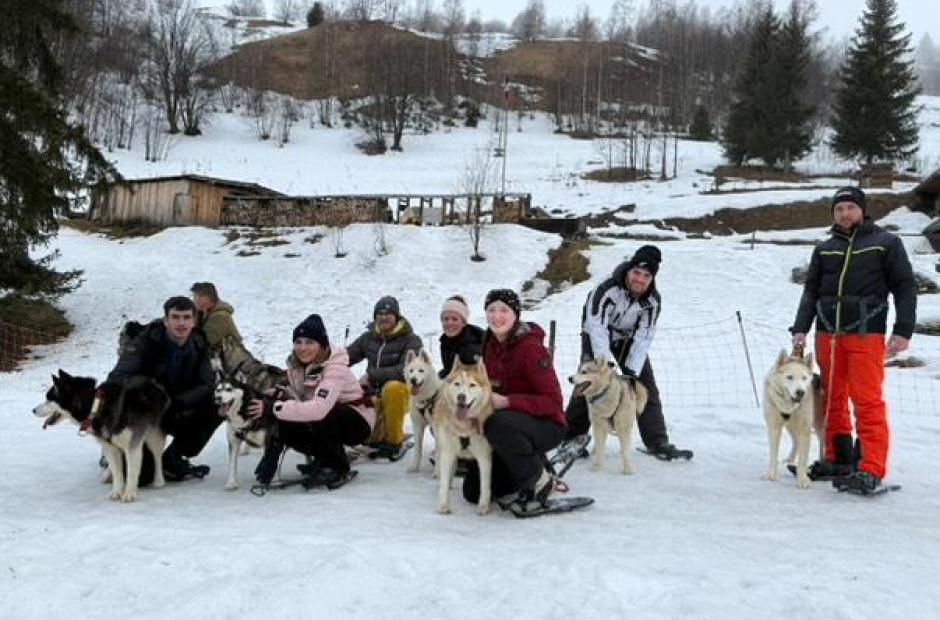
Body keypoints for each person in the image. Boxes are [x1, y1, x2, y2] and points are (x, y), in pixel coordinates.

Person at [790, 186, 916, 494]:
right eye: (839, 209)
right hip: (827, 335)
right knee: (832, 396)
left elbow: (904, 286)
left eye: (850, 207)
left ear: (862, 210)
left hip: (865, 333)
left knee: (867, 400)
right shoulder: (824, 249)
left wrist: (903, 329)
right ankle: (838, 458)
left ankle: (871, 467)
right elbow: (811, 292)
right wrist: (800, 328)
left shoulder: (886, 243)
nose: (845, 213)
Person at [559, 244, 690, 462]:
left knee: (646, 386)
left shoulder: (653, 301)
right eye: (636, 272)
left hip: (628, 338)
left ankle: (658, 441)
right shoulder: (607, 288)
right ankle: (571, 435)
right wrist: (604, 366)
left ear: (652, 278)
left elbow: (644, 336)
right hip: (596, 332)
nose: (639, 279)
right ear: (629, 269)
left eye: (646, 275)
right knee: (589, 381)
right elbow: (596, 324)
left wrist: (631, 373)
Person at [462, 289, 566, 515]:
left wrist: (508, 401)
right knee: (472, 491)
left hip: (547, 425)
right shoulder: (489, 345)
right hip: (509, 428)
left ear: (515, 314)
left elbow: (553, 403)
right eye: (491, 310)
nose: (496, 316)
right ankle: (528, 466)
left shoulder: (531, 349)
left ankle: (538, 480)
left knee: (498, 423)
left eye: (503, 310)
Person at [250, 314, 375, 487]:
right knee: (287, 419)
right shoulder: (296, 366)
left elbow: (319, 409)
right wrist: (281, 395)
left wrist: (273, 408)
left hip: (357, 422)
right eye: (298, 342)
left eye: (309, 342)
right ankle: (325, 458)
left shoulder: (334, 368)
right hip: (326, 419)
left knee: (324, 412)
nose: (302, 348)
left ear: (322, 345)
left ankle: (337, 466)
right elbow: (299, 398)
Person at [107, 296, 219, 483]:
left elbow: (206, 384)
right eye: (175, 317)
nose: (181, 323)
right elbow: (117, 378)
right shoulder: (146, 341)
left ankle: (173, 458)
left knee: (217, 404)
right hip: (145, 412)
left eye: (186, 317)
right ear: (166, 320)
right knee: (141, 479)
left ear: (194, 320)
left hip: (176, 407)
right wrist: (149, 391)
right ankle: (118, 450)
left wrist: (178, 402)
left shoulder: (199, 343)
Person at [347, 295, 422, 459]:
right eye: (380, 314)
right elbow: (347, 356)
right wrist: (328, 363)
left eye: (389, 314)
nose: (384, 317)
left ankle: (395, 442)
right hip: (374, 394)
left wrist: (372, 376)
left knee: (392, 388)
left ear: (397, 317)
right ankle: (374, 434)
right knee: (371, 438)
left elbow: (407, 370)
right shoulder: (368, 338)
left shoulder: (411, 340)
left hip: (401, 393)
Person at [438, 295, 485, 378]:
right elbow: (449, 369)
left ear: (463, 322)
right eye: (446, 319)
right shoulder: (445, 342)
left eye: (454, 319)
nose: (449, 323)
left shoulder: (473, 345)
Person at [190, 281, 242, 352]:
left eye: (201, 296)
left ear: (211, 298)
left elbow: (203, 343)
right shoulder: (201, 312)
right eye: (194, 296)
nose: (196, 300)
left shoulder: (220, 317)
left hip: (231, 359)